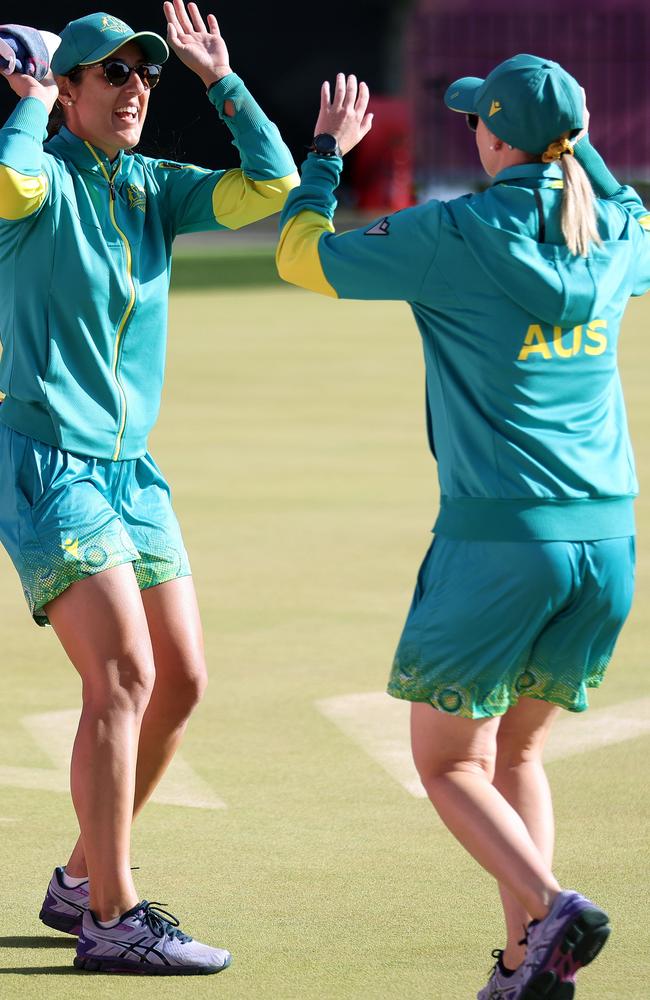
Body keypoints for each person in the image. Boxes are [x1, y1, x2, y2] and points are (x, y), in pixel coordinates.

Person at [276, 55, 649, 999]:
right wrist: (577, 143)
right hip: (608, 544)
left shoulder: (454, 228)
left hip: (500, 542)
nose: (470, 132)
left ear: (492, 136)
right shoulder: (614, 226)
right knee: (514, 753)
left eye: (479, 122)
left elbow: (301, 258)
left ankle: (553, 905)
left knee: (447, 765)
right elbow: (627, 209)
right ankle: (529, 965)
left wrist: (324, 157)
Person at [0, 1, 297, 976]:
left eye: (143, 74)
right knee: (120, 673)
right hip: (49, 462)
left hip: (135, 472)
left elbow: (272, 185)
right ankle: (115, 918)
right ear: (70, 89)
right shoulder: (39, 178)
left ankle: (82, 881)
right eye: (111, 73)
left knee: (178, 680)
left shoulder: (153, 187)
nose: (132, 88)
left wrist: (220, 82)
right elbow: (10, 175)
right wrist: (30, 108)